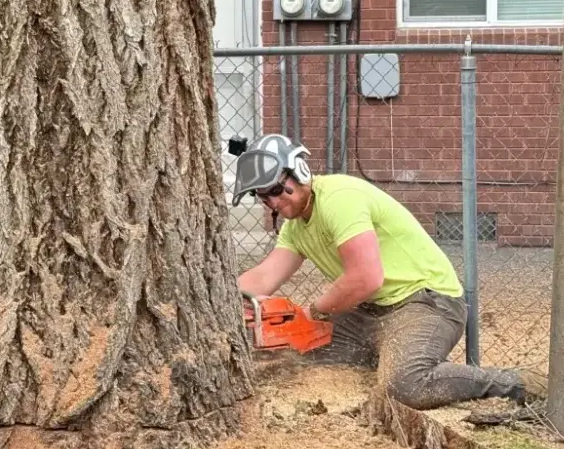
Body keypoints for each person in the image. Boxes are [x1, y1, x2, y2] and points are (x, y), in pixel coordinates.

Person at [230, 133, 545, 410]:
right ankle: (389, 360)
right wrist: (223, 301)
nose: (273, 201)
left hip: (425, 302)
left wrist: (315, 311)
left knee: (404, 385)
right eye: (262, 195)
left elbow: (366, 277)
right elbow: (263, 279)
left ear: (298, 171)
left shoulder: (339, 199)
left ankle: (519, 383)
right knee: (290, 355)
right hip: (367, 312)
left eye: (275, 188)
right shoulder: (296, 225)